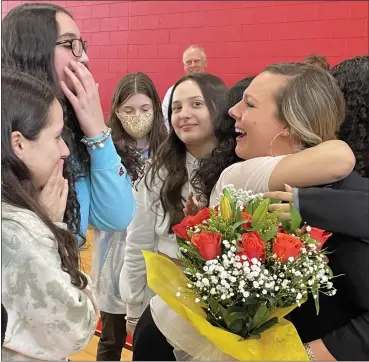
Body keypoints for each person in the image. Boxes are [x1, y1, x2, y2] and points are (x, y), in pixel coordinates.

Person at [132, 63, 358, 361]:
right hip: (171, 340)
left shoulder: (326, 190)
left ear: (288, 124)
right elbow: (340, 156)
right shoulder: (238, 175)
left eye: (249, 104)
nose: (232, 111)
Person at [2, 3, 135, 241]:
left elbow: (116, 216)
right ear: (32, 51)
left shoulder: (71, 129)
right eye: (69, 44)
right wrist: (44, 224)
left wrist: (96, 129)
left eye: (82, 45)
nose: (84, 57)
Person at [121, 73, 227, 341]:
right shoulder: (157, 172)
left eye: (196, 104)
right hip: (165, 307)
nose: (184, 114)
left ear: (219, 108)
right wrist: (134, 308)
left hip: (223, 313)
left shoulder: (237, 168)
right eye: (177, 107)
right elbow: (138, 244)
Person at [1, 69, 98, 360]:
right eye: (56, 136)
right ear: (18, 143)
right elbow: (79, 326)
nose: (65, 149)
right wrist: (52, 230)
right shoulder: (20, 234)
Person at [93, 72, 167, 361]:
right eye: (128, 110)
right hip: (113, 253)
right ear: (117, 111)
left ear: (155, 109)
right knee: (111, 337)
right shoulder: (106, 150)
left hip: (152, 257)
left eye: (144, 109)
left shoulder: (167, 150)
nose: (137, 116)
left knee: (149, 336)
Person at [162, 45, 208, 129]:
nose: (193, 65)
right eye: (188, 62)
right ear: (184, 66)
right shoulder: (173, 91)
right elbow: (165, 120)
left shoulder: (214, 88)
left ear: (205, 63)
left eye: (197, 61)